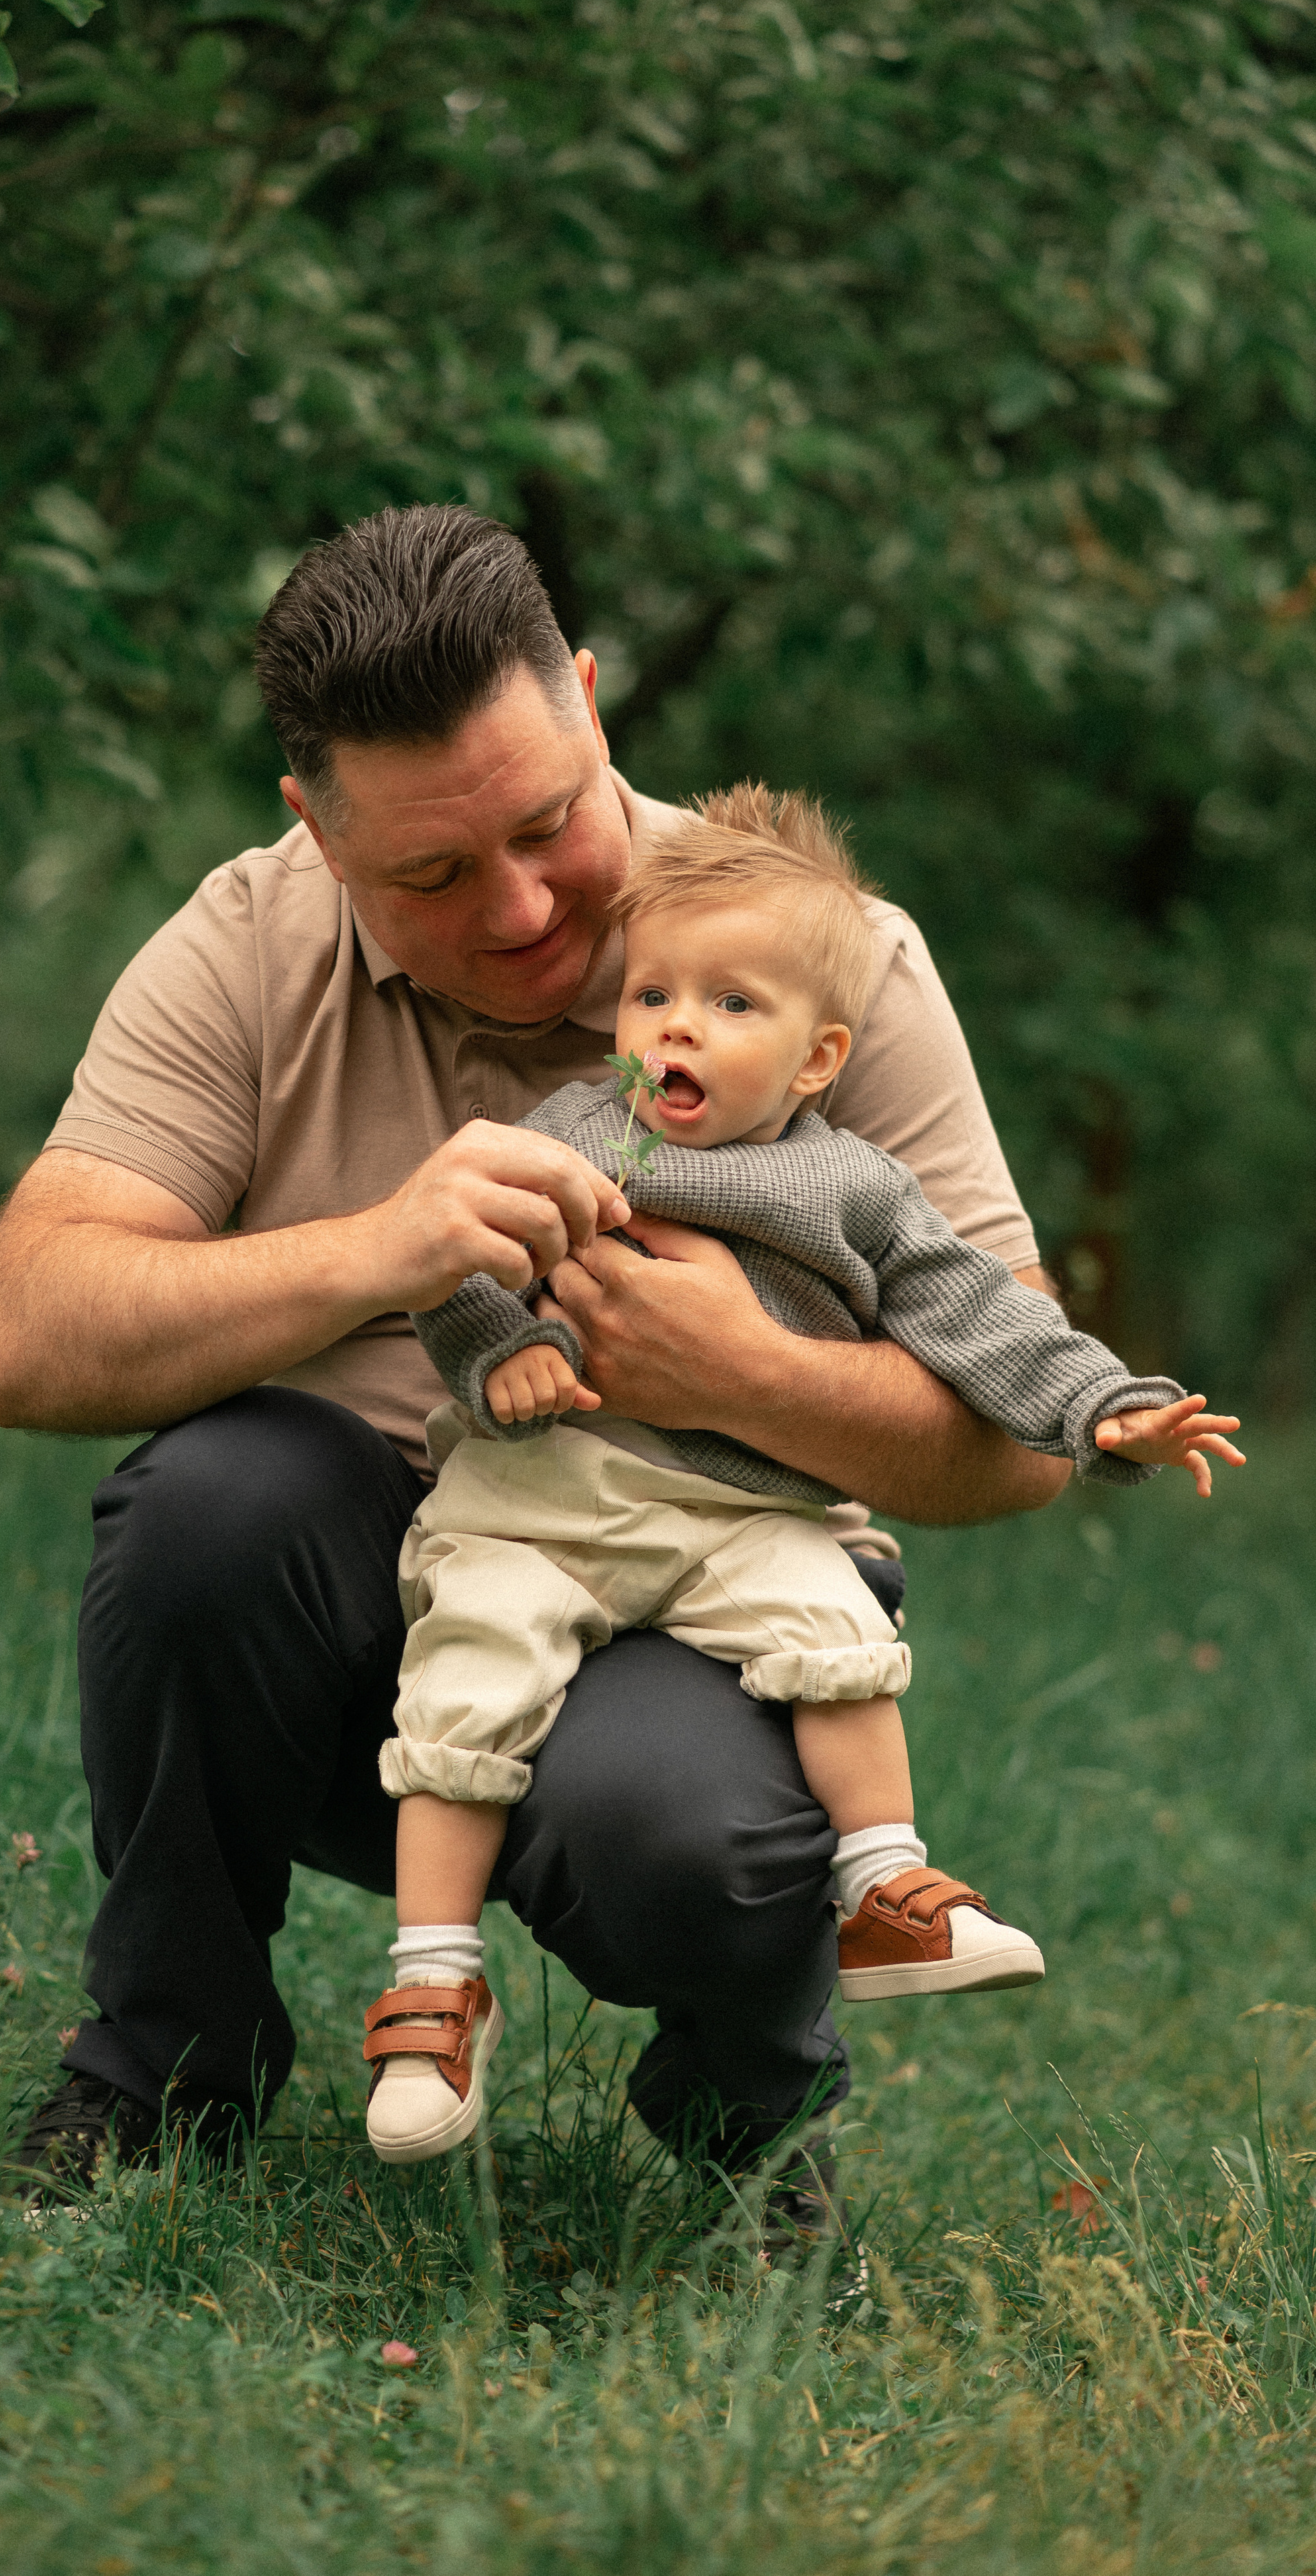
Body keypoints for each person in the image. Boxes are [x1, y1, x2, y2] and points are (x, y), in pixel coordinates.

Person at [0, 501, 1076, 2209]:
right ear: (317, 837)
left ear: (585, 698)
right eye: (429, 873)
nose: (521, 903)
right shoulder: (246, 942)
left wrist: (732, 1372)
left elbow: (1020, 1438)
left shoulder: (824, 958)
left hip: (693, 1595)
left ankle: (741, 2122)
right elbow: (22, 1339)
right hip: (347, 1623)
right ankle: (166, 2067)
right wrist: (381, 1252)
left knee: (683, 1838)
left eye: (549, 824)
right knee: (206, 1506)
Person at [362, 796, 1244, 2165]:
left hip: (743, 1511)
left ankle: (883, 1878)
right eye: (650, 992)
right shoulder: (575, 1133)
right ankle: (431, 1981)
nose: (674, 1028)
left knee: (833, 1625)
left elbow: (978, 1318)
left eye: (728, 1001)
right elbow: (457, 1264)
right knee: (469, 1671)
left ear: (819, 1053)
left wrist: (1102, 1411)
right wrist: (502, 1352)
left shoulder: (853, 1187)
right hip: (543, 1502)